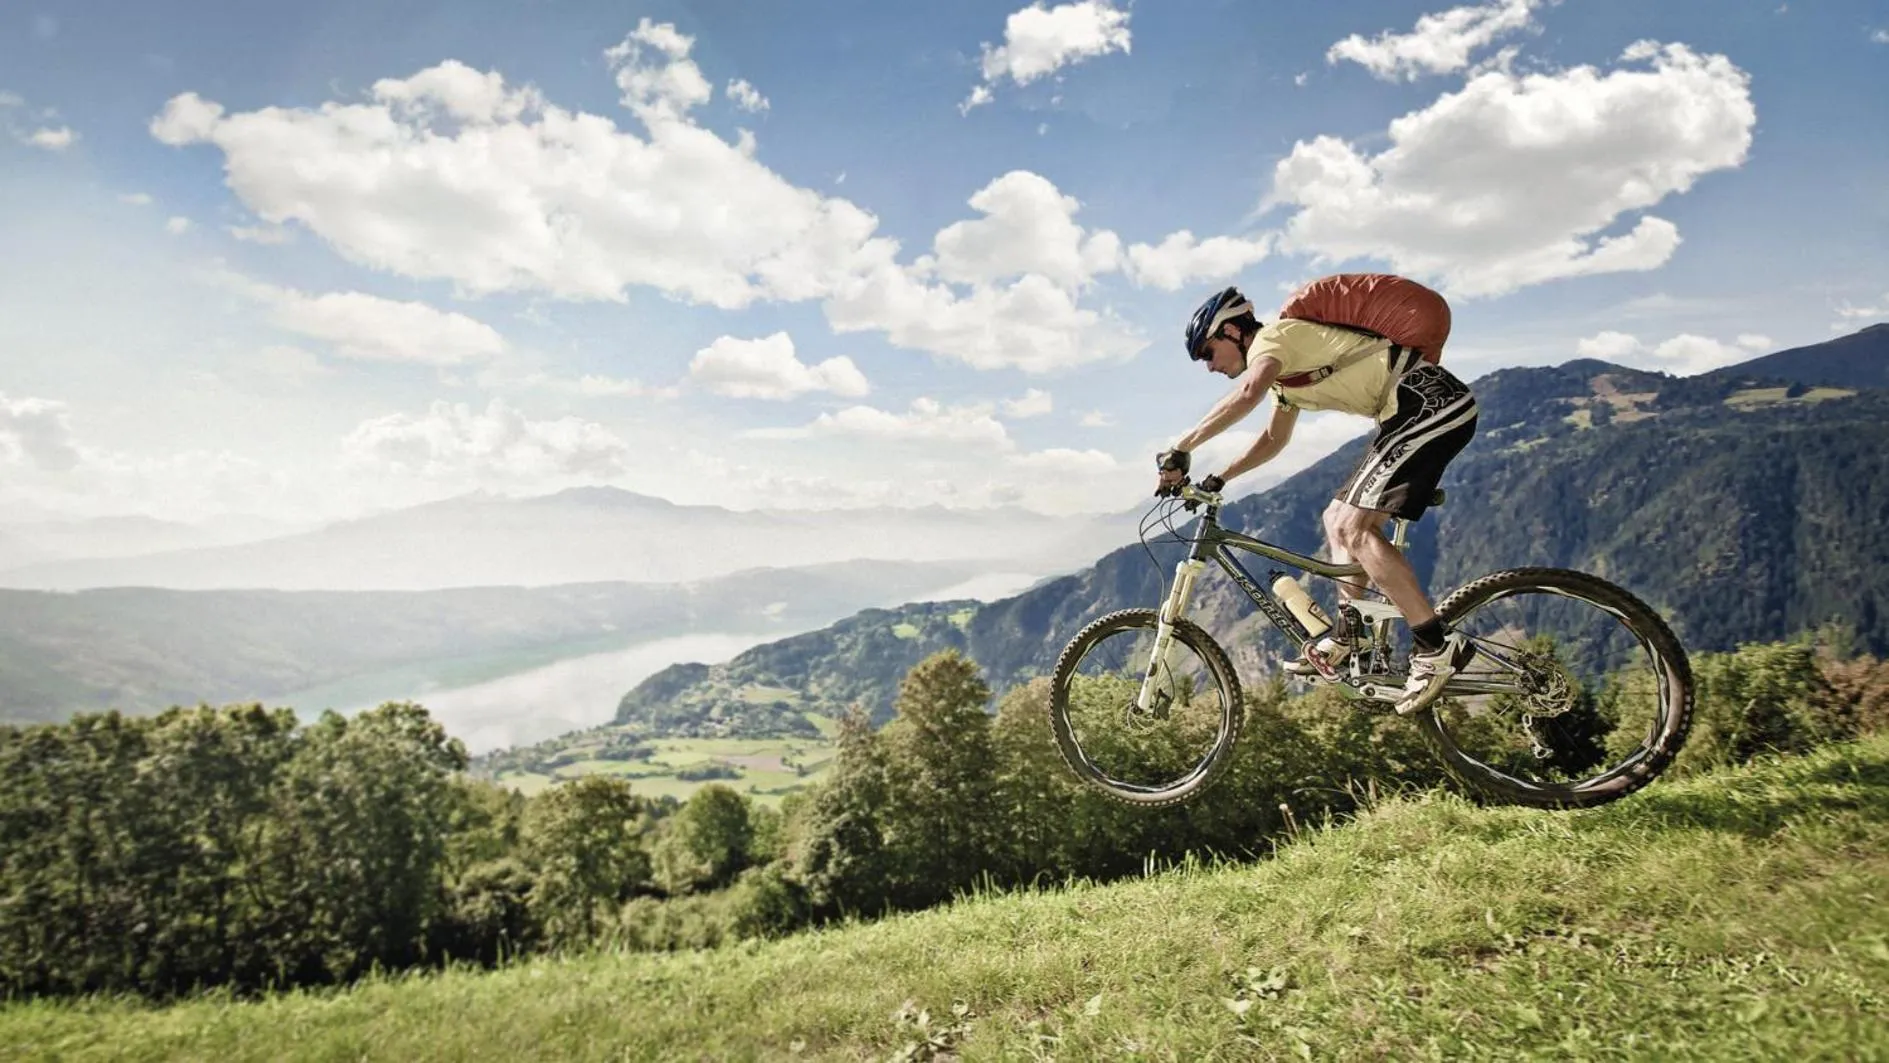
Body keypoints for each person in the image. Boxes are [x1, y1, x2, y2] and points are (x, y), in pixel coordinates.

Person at [1153, 285, 1479, 716]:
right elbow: (1273, 440)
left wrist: (1182, 446)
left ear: (1232, 331)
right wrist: (1219, 478)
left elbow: (1248, 393)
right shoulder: (1283, 379)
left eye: (1208, 353)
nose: (1209, 366)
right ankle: (1349, 635)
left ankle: (1435, 644)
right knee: (1335, 517)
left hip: (1426, 405)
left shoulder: (1274, 339)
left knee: (1355, 529)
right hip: (1409, 413)